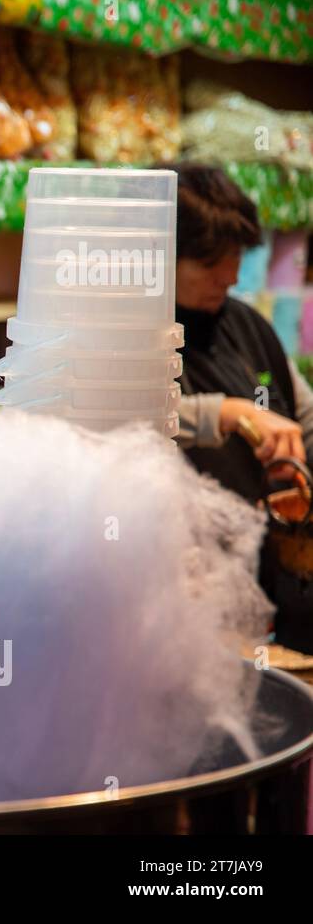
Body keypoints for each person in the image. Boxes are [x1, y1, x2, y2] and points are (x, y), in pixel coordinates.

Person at [171, 162, 313, 652]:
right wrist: (229, 412)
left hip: (263, 576)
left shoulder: (246, 326)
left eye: (235, 256)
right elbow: (141, 419)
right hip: (180, 594)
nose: (229, 276)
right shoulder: (129, 339)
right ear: (159, 256)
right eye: (210, 263)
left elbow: (301, 413)